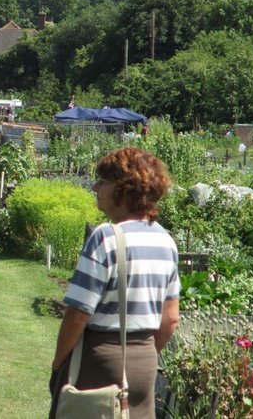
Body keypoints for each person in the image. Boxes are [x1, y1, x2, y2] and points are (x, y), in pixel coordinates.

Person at [49, 147, 180, 419]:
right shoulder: (166, 241)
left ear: (124, 188)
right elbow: (170, 320)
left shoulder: (106, 237)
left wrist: (58, 363)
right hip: (145, 363)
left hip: (100, 361)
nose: (95, 187)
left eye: (103, 181)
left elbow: (77, 315)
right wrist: (141, 354)